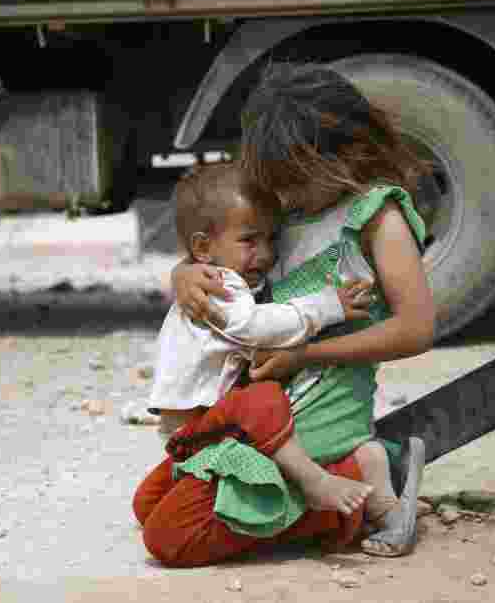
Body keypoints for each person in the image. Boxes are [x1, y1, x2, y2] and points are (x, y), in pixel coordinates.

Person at [133, 62, 436, 566]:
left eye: (295, 181)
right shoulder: (290, 213)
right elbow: (229, 258)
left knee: (172, 536)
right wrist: (185, 273)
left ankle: (362, 482)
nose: (286, 196)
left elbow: (416, 328)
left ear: (346, 154)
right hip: (258, 406)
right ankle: (349, 476)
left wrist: (305, 353)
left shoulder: (379, 217)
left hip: (320, 407)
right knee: (151, 505)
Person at [146, 162, 376, 517]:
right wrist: (329, 306)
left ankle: (333, 487)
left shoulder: (213, 274)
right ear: (203, 247)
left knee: (150, 502)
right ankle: (315, 484)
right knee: (262, 400)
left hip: (197, 426)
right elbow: (253, 325)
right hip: (196, 424)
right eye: (249, 241)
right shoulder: (219, 285)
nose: (266, 254)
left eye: (270, 240)